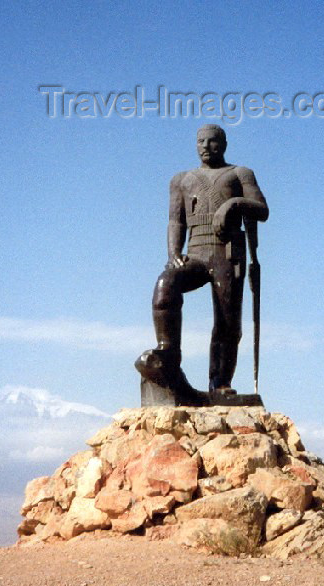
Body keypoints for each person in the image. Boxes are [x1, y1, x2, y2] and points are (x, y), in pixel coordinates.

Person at [137, 124, 268, 398]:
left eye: (212, 141)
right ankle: (168, 353)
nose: (206, 146)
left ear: (224, 144)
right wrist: (173, 254)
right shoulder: (181, 180)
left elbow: (262, 209)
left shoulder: (239, 174)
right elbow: (175, 220)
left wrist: (234, 204)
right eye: (201, 142)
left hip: (227, 252)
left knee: (227, 322)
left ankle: (219, 382)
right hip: (195, 253)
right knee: (165, 285)